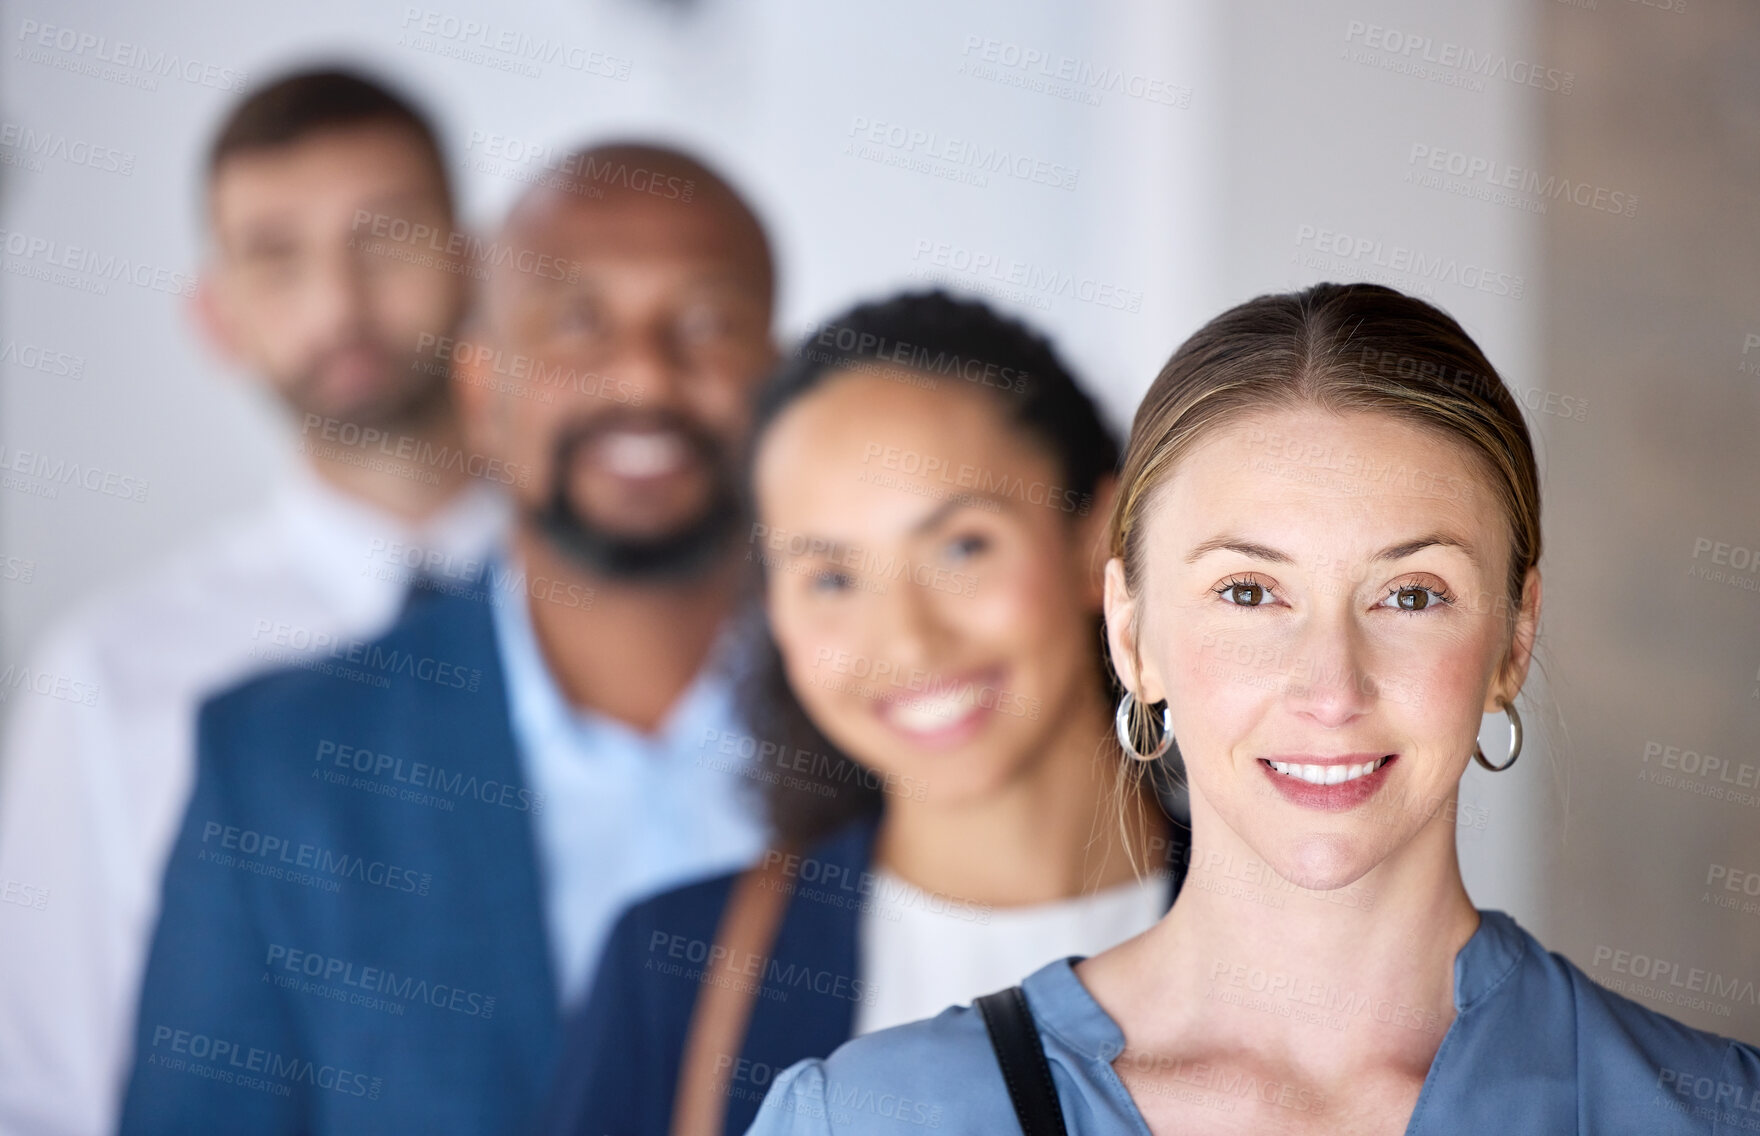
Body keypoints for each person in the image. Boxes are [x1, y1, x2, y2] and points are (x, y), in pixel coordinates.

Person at [748, 283, 1760, 1133]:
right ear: (1130, 632)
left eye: (1408, 593)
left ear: (1512, 636)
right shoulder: (867, 1115)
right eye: (1247, 591)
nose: (1330, 685)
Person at [115, 143, 779, 1135]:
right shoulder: (278, 763)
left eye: (705, 321)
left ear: (780, 382)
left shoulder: (895, 719)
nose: (643, 369)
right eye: (576, 321)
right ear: (481, 391)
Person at [541, 291, 1189, 1136]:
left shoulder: (1319, 924)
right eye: (831, 578)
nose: (909, 643)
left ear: (1097, 539)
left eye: (963, 547)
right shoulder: (677, 969)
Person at [0, 67, 508, 1136]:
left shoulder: (627, 617)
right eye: (277, 257)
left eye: (385, 235)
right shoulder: (111, 670)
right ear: (215, 311)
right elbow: (45, 1087)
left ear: (473, 265)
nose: (339, 301)